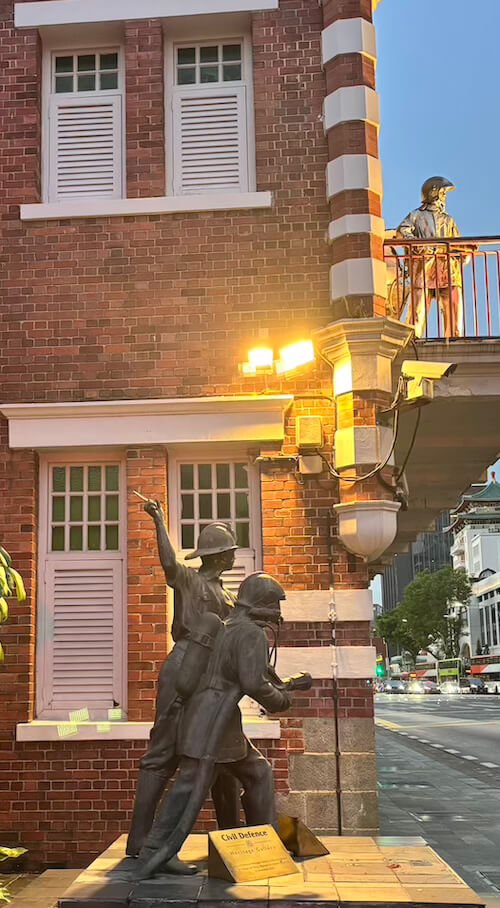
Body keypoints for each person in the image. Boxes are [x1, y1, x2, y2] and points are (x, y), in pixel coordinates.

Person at [133, 572, 312, 880]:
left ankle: (263, 840)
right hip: (212, 724)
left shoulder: (228, 628)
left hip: (216, 720)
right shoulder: (251, 634)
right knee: (189, 789)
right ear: (261, 603)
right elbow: (253, 682)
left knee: (258, 772)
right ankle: (155, 852)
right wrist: (281, 702)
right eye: (274, 604)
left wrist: (284, 687)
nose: (278, 612)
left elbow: (252, 675)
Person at [126, 500, 239, 871]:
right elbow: (170, 564)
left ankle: (231, 839)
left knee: (218, 756)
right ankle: (144, 844)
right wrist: (159, 519)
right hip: (185, 666)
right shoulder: (190, 580)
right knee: (163, 755)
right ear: (221, 555)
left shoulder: (229, 597)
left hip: (213, 676)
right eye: (231, 550)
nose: (235, 554)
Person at [397, 176, 466, 338]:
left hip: (447, 270)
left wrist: (462, 251)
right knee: (418, 310)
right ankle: (412, 340)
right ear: (434, 194)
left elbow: (458, 244)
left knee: (454, 307)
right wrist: (417, 244)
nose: (445, 198)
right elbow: (402, 231)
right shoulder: (416, 215)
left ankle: (455, 339)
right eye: (443, 193)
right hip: (424, 269)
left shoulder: (448, 220)